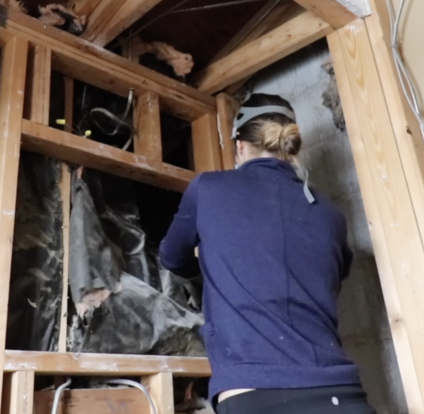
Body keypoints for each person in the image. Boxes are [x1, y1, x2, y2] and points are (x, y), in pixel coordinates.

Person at [160, 93, 374, 414]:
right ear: (290, 148)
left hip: (258, 395)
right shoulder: (331, 214)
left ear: (240, 146)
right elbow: (335, 274)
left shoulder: (209, 189)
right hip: (342, 393)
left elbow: (171, 257)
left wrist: (214, 264)